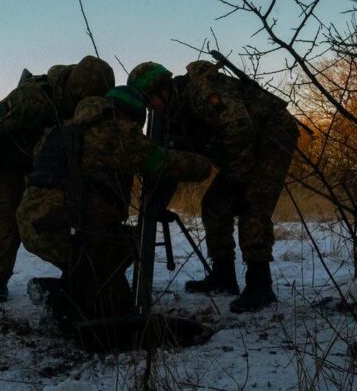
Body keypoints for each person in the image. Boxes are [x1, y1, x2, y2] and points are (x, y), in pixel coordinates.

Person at [16, 85, 212, 322]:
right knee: (117, 296)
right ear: (133, 116)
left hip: (36, 224)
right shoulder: (114, 133)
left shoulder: (64, 129)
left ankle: (72, 290)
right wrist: (204, 163)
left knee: (109, 243)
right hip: (64, 228)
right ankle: (65, 299)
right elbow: (163, 163)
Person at [127, 60, 300, 313]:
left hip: (271, 137)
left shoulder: (201, 92)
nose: (150, 107)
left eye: (150, 99)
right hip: (243, 148)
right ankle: (224, 276)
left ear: (162, 90)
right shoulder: (173, 113)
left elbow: (239, 127)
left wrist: (239, 179)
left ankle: (260, 286)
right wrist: (158, 204)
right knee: (215, 204)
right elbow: (174, 160)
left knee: (252, 205)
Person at [0, 56, 115, 302]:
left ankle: (77, 274)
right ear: (78, 91)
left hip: (46, 163)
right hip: (10, 163)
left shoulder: (83, 102)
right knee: (11, 214)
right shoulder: (34, 98)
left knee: (67, 211)